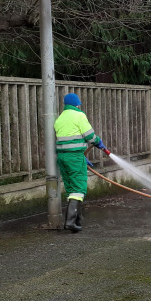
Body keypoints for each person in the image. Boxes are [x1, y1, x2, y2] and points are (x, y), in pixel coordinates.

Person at [54, 93, 108, 232]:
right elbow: (90, 136)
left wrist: (80, 154)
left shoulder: (59, 118)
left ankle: (77, 220)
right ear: (77, 104)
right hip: (75, 157)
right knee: (79, 188)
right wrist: (98, 142)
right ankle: (71, 222)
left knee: (71, 188)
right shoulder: (79, 115)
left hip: (62, 158)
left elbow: (66, 141)